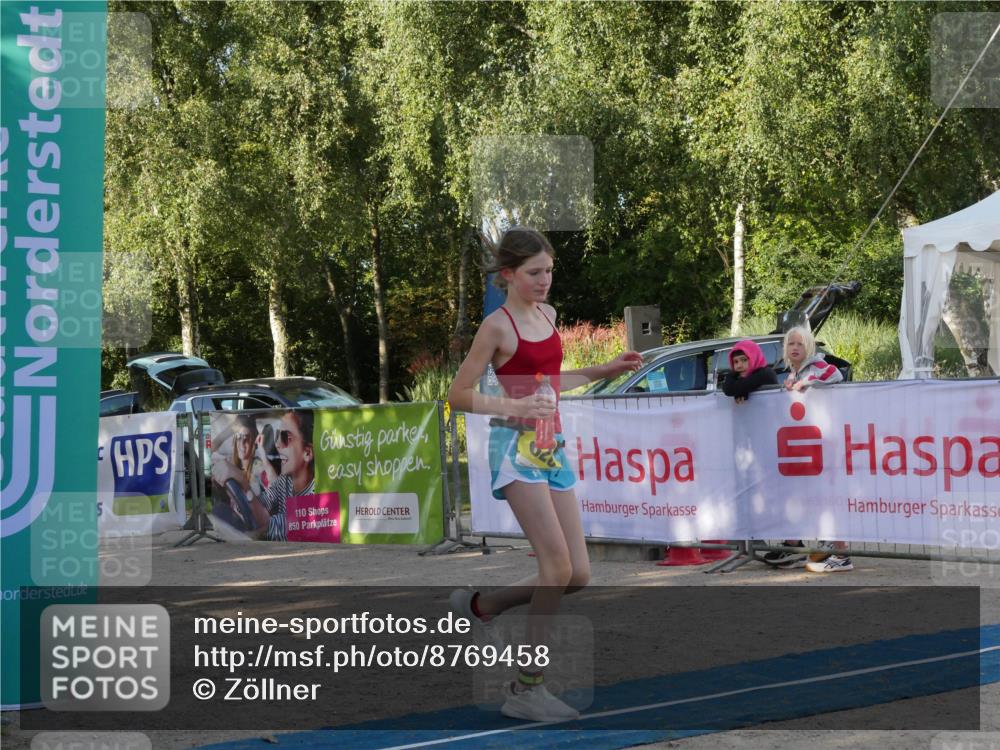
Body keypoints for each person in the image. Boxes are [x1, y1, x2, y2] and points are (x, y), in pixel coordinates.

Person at [446, 226, 641, 722]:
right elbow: (458, 394)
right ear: (508, 274)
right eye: (535, 272)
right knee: (555, 569)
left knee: (577, 574)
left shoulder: (549, 316)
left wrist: (606, 371)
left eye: (550, 270)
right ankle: (525, 687)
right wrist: (512, 402)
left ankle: (484, 605)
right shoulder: (497, 326)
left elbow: (555, 380)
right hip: (513, 446)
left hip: (552, 446)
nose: (545, 280)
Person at [782, 325, 851, 573]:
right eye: (791, 344)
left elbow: (836, 374)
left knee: (829, 496)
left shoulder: (815, 365)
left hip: (825, 440)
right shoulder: (792, 371)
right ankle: (826, 547)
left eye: (800, 343)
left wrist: (807, 381)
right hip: (808, 442)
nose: (796, 348)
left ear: (809, 346)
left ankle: (841, 554)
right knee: (815, 497)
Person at [247, 409, 315, 541]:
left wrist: (243, 484)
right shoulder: (285, 482)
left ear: (307, 453)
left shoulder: (316, 494)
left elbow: (266, 527)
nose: (277, 444)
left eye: (286, 438)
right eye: (278, 435)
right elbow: (263, 502)